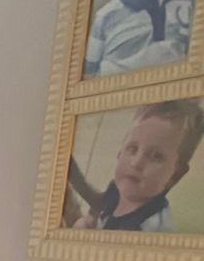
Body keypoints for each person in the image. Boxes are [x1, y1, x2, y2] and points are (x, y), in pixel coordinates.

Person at [70, 99, 204, 232]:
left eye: (156, 156)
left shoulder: (153, 227)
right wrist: (86, 223)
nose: (136, 163)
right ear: (120, 153)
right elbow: (98, 208)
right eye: (132, 149)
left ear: (175, 175)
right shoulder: (116, 190)